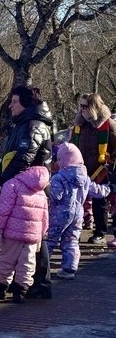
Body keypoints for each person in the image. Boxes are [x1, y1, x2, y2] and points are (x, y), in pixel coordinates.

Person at [0, 85, 54, 298]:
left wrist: (5, 181)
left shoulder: (33, 126)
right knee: (28, 236)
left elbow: (23, 158)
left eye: (14, 102)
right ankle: (25, 281)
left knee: (34, 237)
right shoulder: (25, 123)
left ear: (26, 103)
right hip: (24, 187)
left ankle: (40, 283)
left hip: (29, 189)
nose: (10, 106)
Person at [47, 142, 111, 279]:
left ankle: (41, 267)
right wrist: (109, 188)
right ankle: (69, 269)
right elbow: (97, 191)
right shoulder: (85, 178)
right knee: (72, 240)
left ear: (63, 160)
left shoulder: (59, 178)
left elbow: (55, 196)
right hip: (78, 214)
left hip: (59, 214)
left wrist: (46, 189)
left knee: (50, 240)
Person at [0, 165, 50, 303]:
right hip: (33, 235)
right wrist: (42, 234)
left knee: (7, 260)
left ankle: (1, 289)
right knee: (27, 263)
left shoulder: (12, 185)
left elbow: (3, 210)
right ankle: (20, 291)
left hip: (12, 232)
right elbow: (45, 217)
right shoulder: (41, 192)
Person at [70, 92, 116, 245]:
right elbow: (72, 144)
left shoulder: (108, 124)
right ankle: (73, 231)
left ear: (94, 106)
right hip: (80, 168)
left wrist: (110, 159)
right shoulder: (79, 124)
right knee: (76, 202)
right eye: (80, 106)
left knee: (99, 202)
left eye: (85, 106)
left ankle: (100, 232)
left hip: (100, 170)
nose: (82, 109)